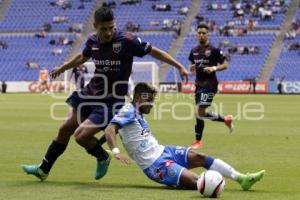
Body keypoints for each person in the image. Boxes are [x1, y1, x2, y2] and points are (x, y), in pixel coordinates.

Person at [21, 6, 188, 181]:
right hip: (90, 93)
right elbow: (82, 57)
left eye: (111, 27)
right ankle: (43, 169)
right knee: (65, 129)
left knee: (81, 136)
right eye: (104, 29)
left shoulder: (127, 41)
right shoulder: (92, 41)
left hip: (111, 101)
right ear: (95, 26)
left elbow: (155, 51)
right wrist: (62, 67)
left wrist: (179, 66)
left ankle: (102, 156)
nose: (109, 32)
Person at [104, 83, 265, 190]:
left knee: (200, 157)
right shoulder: (128, 111)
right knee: (199, 182)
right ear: (138, 98)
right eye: (150, 100)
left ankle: (242, 178)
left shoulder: (135, 112)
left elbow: (120, 131)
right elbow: (110, 129)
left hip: (164, 151)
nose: (152, 104)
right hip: (155, 165)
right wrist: (116, 151)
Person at [189, 23, 233, 149]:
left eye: (204, 33)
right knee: (200, 113)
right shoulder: (194, 51)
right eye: (199, 33)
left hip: (210, 85)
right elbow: (192, 66)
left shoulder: (214, 50)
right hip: (198, 85)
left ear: (208, 35)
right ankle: (225, 119)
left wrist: (214, 67)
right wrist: (192, 68)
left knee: (198, 111)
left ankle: (198, 141)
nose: (201, 35)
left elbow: (225, 65)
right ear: (197, 35)